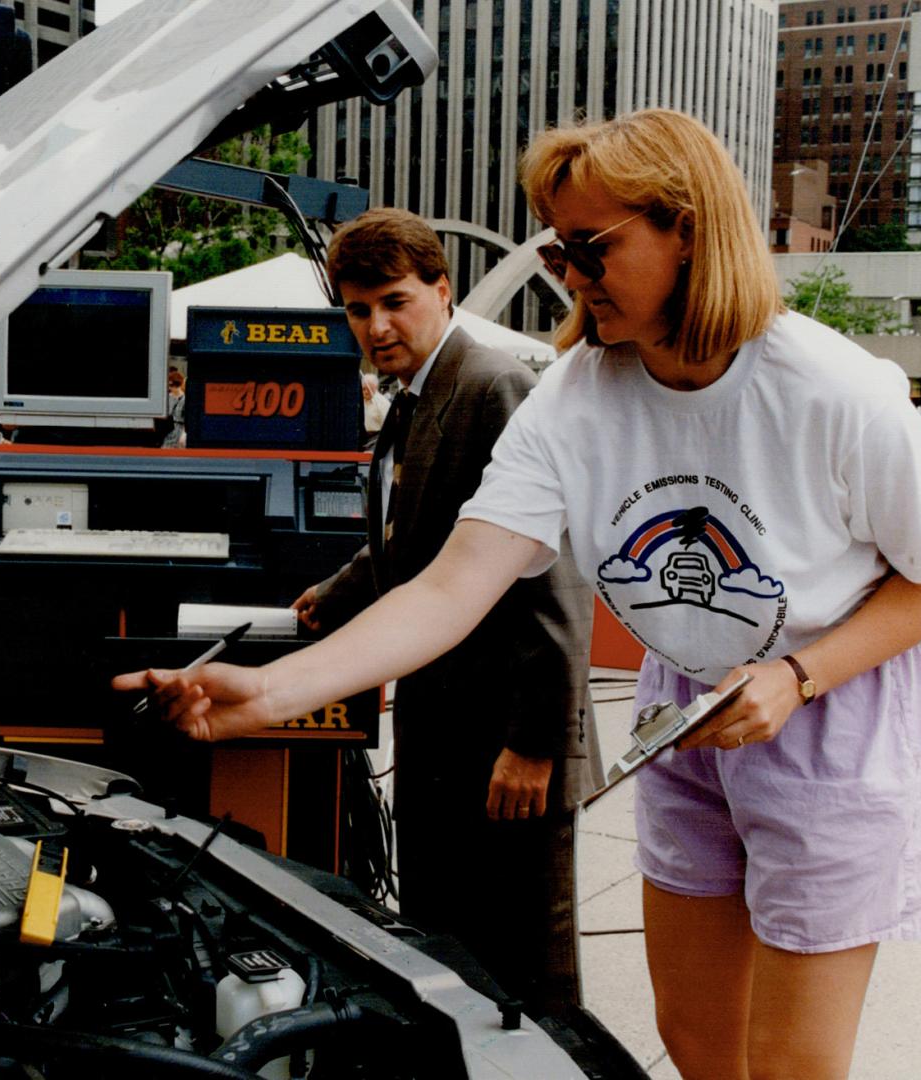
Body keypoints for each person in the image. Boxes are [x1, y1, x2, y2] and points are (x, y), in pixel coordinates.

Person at [116, 110, 921, 1080]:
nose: (569, 273)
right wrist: (272, 692)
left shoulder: (831, 390)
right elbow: (452, 582)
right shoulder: (574, 394)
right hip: (689, 706)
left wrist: (796, 677)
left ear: (686, 228)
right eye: (558, 248)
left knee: (789, 1065)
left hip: (827, 712)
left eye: (591, 246)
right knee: (695, 1041)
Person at [254, 208, 600, 1017]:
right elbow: (416, 542)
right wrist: (333, 594)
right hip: (445, 731)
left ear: (443, 292)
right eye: (357, 309)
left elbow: (553, 586)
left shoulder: (495, 388)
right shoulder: (418, 397)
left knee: (521, 976)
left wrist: (534, 744)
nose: (376, 326)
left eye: (395, 302)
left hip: (504, 744)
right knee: (450, 950)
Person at [359, 371, 390, 451]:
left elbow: (388, 426)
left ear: (375, 388)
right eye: (363, 389)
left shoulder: (383, 403)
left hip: (376, 438)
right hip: (360, 437)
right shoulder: (359, 401)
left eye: (368, 389)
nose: (365, 392)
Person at [162, 369, 187, 448]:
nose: (170, 388)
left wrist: (184, 433)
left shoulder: (185, 399)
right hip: (167, 429)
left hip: (179, 429)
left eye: (172, 385)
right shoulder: (167, 398)